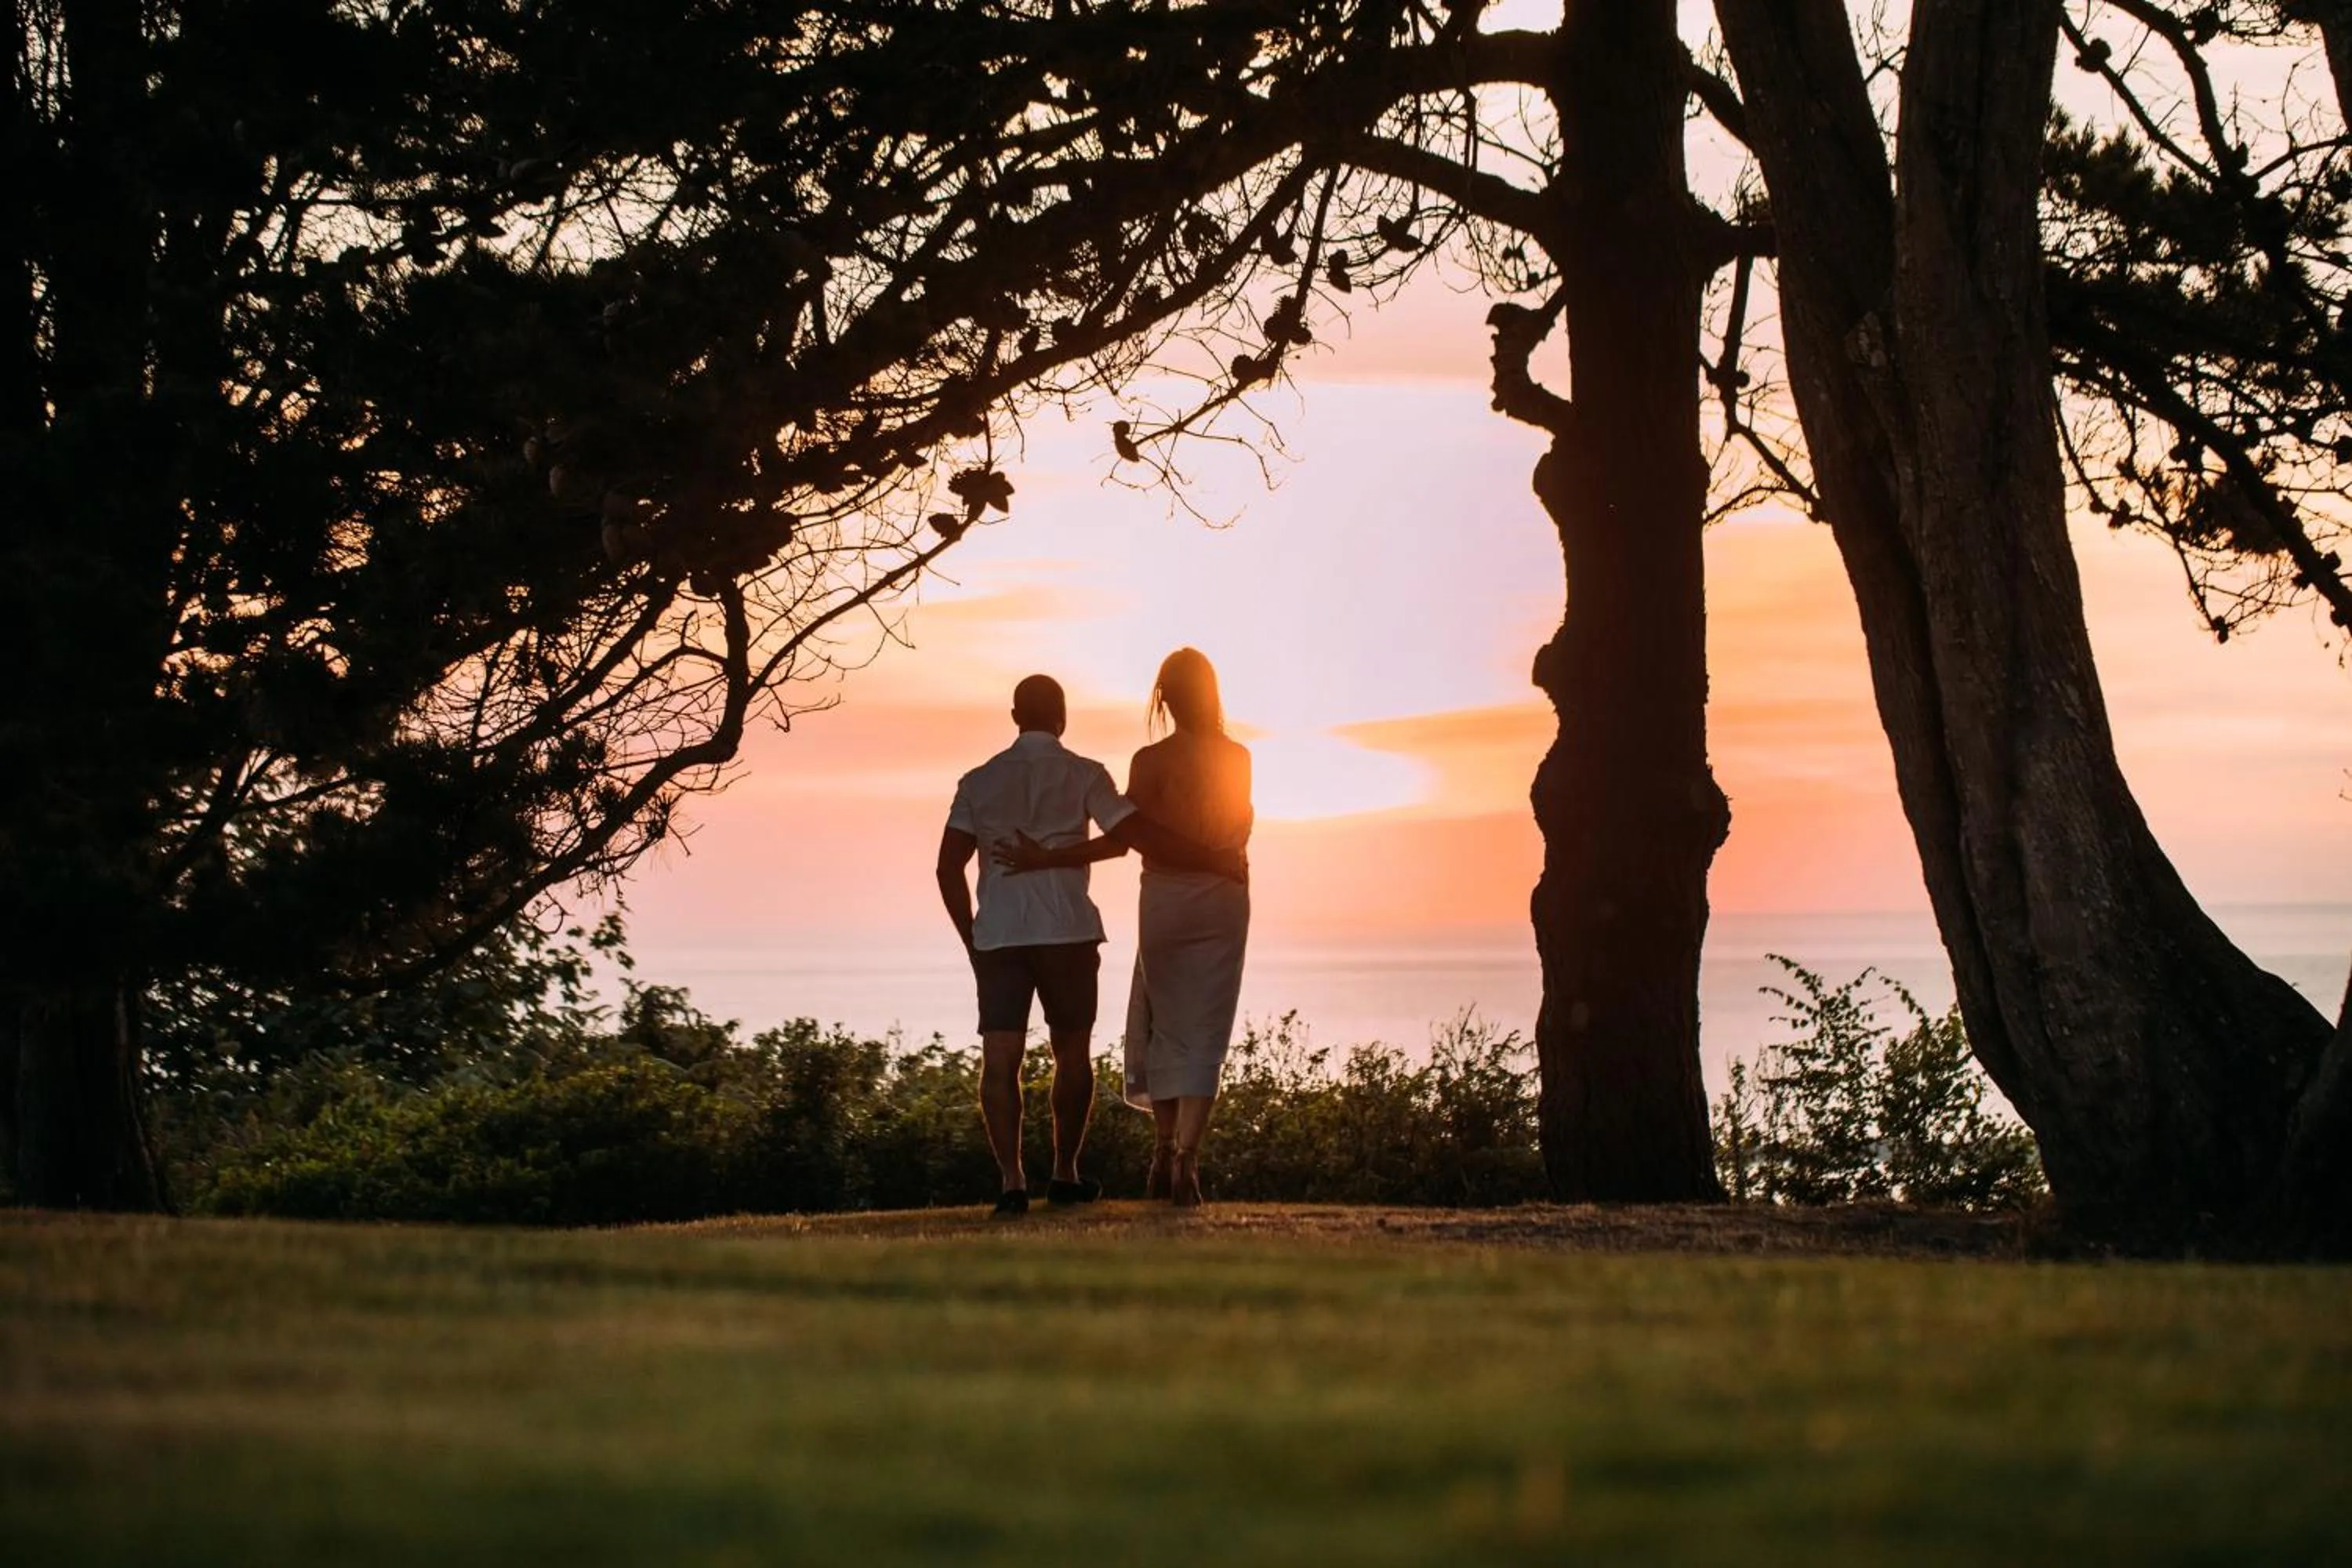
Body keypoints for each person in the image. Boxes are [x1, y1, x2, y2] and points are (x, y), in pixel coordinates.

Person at [937, 673, 1241, 1218]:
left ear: (1015, 717)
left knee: (999, 1060)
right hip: (1068, 933)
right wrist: (1212, 858)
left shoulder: (978, 782)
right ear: (1062, 718)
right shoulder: (1085, 773)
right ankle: (1064, 1173)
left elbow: (947, 868)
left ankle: (1011, 1183)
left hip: (1000, 938)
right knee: (1072, 1055)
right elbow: (1129, 838)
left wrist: (972, 939)